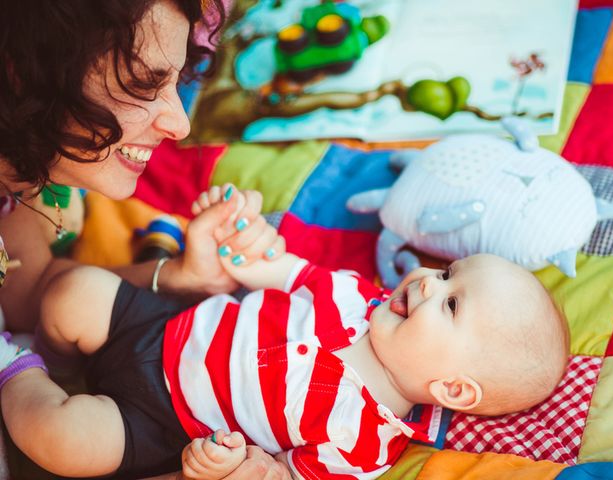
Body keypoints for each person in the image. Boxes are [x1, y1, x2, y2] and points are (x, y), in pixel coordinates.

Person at [0, 185, 570, 480]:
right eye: (445, 272)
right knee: (69, 294)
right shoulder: (354, 296)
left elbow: (283, 474)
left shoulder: (362, 443)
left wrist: (234, 468)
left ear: (452, 389)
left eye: (449, 304)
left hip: (160, 421)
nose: (424, 281)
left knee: (62, 442)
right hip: (165, 325)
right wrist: (239, 236)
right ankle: (48, 351)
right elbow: (278, 267)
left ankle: (13, 366)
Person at [0, 0, 284, 333]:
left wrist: (182, 275)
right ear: (22, 71)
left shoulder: (17, 181)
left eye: (174, 84)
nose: (181, 127)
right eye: (143, 85)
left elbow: (26, 293)